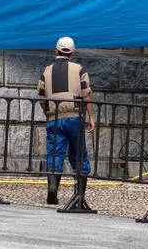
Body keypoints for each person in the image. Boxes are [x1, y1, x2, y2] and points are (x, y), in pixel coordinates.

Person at [38, 36, 95, 205]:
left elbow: (41, 96)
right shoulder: (79, 70)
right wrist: (91, 116)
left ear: (55, 51)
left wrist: (48, 112)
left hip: (54, 118)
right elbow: (87, 94)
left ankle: (53, 190)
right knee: (78, 155)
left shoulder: (46, 71)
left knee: (54, 153)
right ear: (73, 52)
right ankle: (79, 195)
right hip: (75, 116)